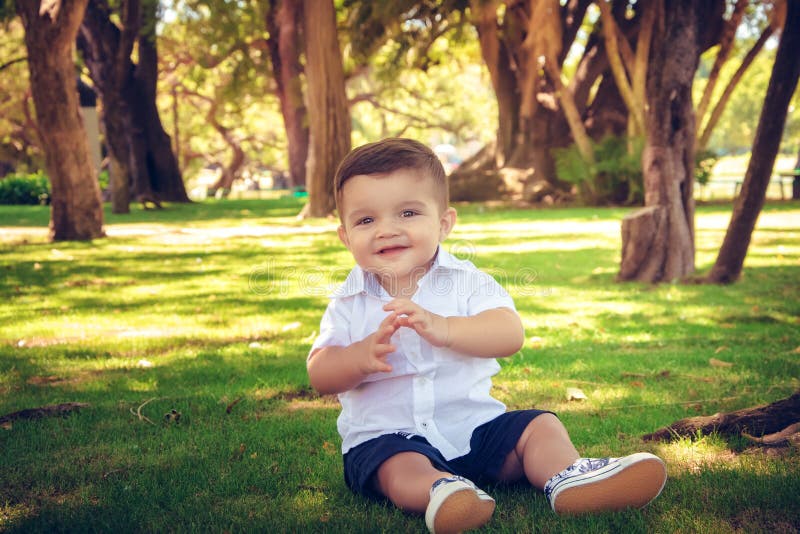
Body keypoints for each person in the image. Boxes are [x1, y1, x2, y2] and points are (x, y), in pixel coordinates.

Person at [307, 138, 667, 533]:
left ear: (444, 223)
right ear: (345, 237)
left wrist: (445, 328)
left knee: (538, 426)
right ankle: (440, 493)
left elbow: (509, 333)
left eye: (408, 212)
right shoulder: (348, 302)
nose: (386, 230)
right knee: (398, 466)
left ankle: (569, 475)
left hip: (475, 430)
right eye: (366, 221)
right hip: (389, 438)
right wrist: (357, 358)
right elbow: (320, 374)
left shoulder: (467, 282)